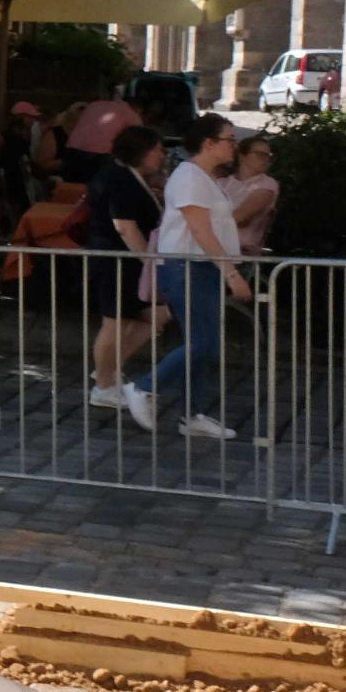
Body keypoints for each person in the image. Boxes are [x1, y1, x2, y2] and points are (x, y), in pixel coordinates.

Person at [123, 116, 252, 440]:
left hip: (198, 268)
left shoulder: (203, 178)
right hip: (187, 267)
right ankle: (143, 387)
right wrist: (231, 273)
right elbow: (199, 229)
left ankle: (193, 413)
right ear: (209, 143)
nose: (233, 146)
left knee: (205, 344)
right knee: (203, 342)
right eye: (229, 139)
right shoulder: (190, 177)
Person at [80, 125, 171, 409]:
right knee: (115, 322)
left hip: (127, 263)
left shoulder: (128, 176)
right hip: (116, 261)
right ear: (141, 152)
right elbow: (125, 226)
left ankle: (108, 369)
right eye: (157, 150)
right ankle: (104, 386)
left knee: (156, 316)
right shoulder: (118, 178)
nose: (161, 156)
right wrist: (149, 261)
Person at [59, 91, 143, 183]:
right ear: (137, 108)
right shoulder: (130, 113)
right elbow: (140, 139)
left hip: (72, 149)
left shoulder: (94, 104)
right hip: (99, 155)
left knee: (71, 186)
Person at [220, 133, 279, 258]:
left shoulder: (267, 184)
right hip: (215, 248)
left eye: (268, 156)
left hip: (242, 253)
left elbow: (239, 217)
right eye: (260, 155)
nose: (266, 159)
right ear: (242, 156)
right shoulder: (222, 183)